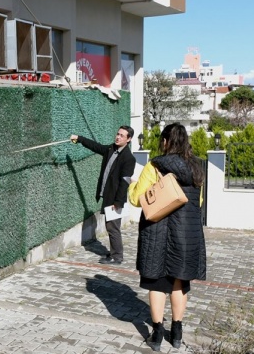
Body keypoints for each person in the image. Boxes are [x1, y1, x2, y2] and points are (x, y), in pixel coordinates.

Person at [128, 123, 206, 351]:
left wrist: (131, 187)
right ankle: (178, 332)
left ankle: (158, 334)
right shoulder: (197, 168)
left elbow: (137, 199)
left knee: (157, 283)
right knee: (179, 283)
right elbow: (197, 203)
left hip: (158, 234)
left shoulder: (154, 166)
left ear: (165, 142)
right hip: (186, 235)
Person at [70, 126, 136, 265]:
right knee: (110, 226)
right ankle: (114, 253)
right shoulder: (111, 149)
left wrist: (118, 202)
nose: (118, 137)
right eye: (117, 134)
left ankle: (117, 257)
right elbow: (96, 146)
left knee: (113, 228)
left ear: (128, 139)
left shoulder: (128, 158)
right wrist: (80, 139)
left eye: (122, 136)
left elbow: (125, 182)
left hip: (115, 199)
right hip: (108, 196)